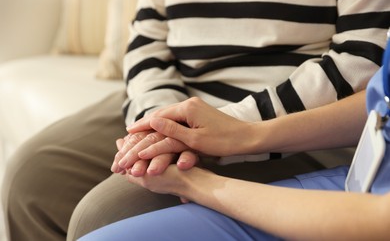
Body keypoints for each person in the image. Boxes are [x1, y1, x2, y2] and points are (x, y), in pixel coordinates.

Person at [2, 0, 389, 240]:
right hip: (172, 100)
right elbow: (147, 39)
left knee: (107, 213)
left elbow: (361, 61)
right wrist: (161, 122)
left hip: (291, 120)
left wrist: (234, 128)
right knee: (34, 179)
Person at [78, 63, 390, 240]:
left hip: (369, 213)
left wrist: (195, 184)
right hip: (364, 174)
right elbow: (380, 102)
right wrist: (246, 135)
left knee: (103, 221)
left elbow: (379, 220)